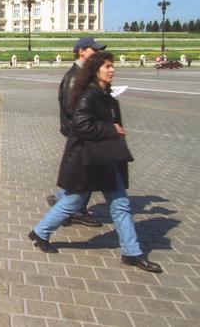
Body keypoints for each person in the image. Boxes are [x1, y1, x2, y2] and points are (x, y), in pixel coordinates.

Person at [29, 51, 162, 273]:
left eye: (112, 66)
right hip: (89, 160)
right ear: (95, 70)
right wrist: (112, 129)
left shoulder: (106, 95)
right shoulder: (89, 95)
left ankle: (132, 252)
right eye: (107, 66)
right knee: (73, 202)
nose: (112, 70)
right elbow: (80, 125)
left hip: (104, 159)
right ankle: (41, 232)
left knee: (120, 206)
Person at [48, 37, 106, 227]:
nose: (97, 54)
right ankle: (71, 210)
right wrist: (89, 128)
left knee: (83, 173)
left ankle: (64, 201)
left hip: (84, 130)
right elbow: (71, 108)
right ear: (82, 51)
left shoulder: (86, 75)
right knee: (84, 174)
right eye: (94, 50)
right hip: (81, 132)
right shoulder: (75, 76)